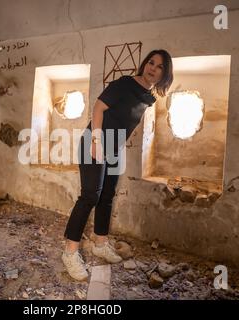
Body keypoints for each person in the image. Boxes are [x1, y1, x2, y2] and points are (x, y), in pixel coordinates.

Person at [62, 49, 174, 281]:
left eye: (159, 66)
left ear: (164, 74)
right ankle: (70, 253)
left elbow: (124, 122)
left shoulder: (147, 96)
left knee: (107, 196)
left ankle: (100, 243)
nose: (152, 68)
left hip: (113, 147)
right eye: (151, 62)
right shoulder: (125, 84)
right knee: (90, 196)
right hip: (94, 143)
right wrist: (96, 141)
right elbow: (98, 108)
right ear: (144, 64)